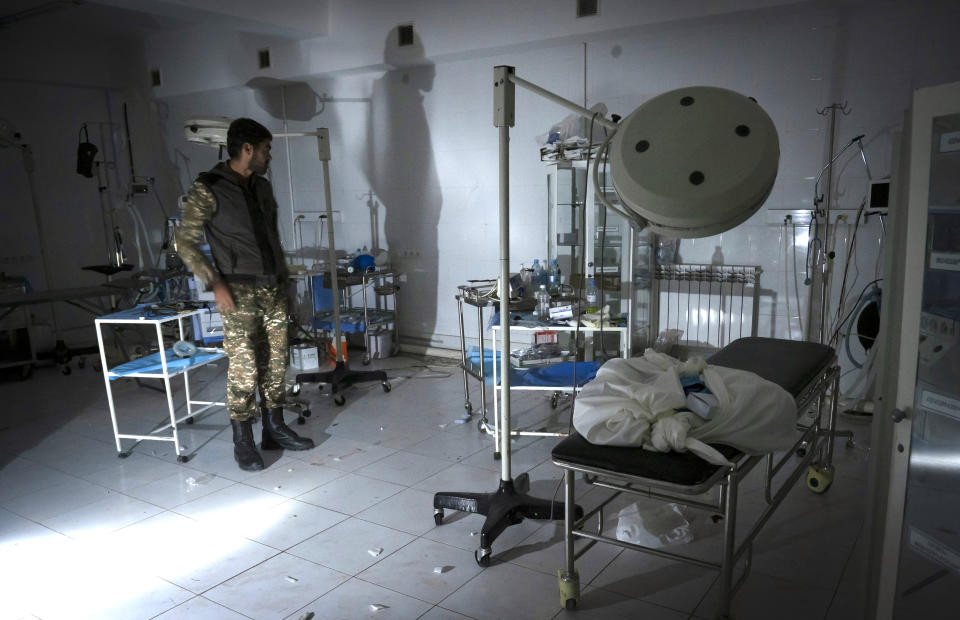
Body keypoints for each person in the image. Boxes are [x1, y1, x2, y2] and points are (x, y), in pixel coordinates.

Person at [177, 117, 314, 471]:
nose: (270, 156)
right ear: (247, 148)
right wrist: (215, 282)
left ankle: (275, 428)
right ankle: (243, 440)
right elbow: (185, 242)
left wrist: (284, 281)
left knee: (276, 362)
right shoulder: (208, 188)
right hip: (237, 292)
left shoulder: (263, 187)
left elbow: (270, 238)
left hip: (272, 288)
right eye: (266, 149)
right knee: (244, 368)